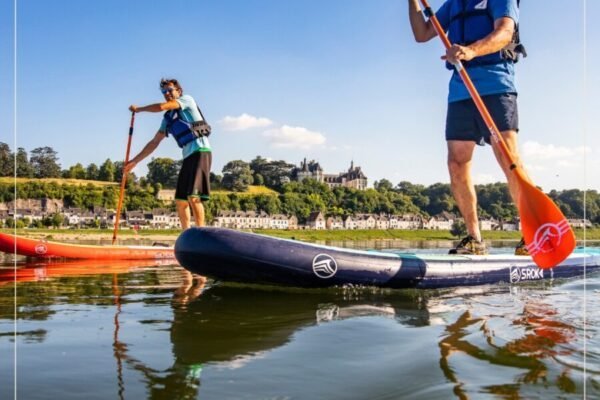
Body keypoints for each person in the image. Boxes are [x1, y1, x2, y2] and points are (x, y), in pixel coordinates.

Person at [408, 0, 529, 255]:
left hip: (496, 84)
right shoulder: (453, 4)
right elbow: (421, 33)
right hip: (460, 89)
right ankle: (474, 239)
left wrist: (471, 50)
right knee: (457, 162)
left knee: (508, 158)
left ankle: (532, 234)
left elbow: (505, 32)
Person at [125, 78, 212, 229]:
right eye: (164, 92)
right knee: (180, 200)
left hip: (201, 151)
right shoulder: (168, 119)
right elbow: (154, 143)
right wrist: (134, 161)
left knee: (193, 196)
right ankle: (186, 236)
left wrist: (139, 110)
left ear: (178, 91)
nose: (167, 94)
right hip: (188, 156)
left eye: (170, 90)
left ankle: (201, 232)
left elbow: (161, 106)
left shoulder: (186, 100)